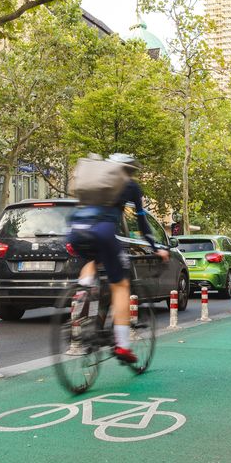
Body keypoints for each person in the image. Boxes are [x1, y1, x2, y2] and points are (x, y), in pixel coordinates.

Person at [67, 153, 169, 364]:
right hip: (103, 232)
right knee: (121, 285)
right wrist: (155, 247)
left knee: (93, 261)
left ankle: (82, 291)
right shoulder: (130, 186)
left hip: (76, 231)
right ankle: (122, 345)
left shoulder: (94, 180)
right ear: (130, 170)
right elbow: (142, 223)